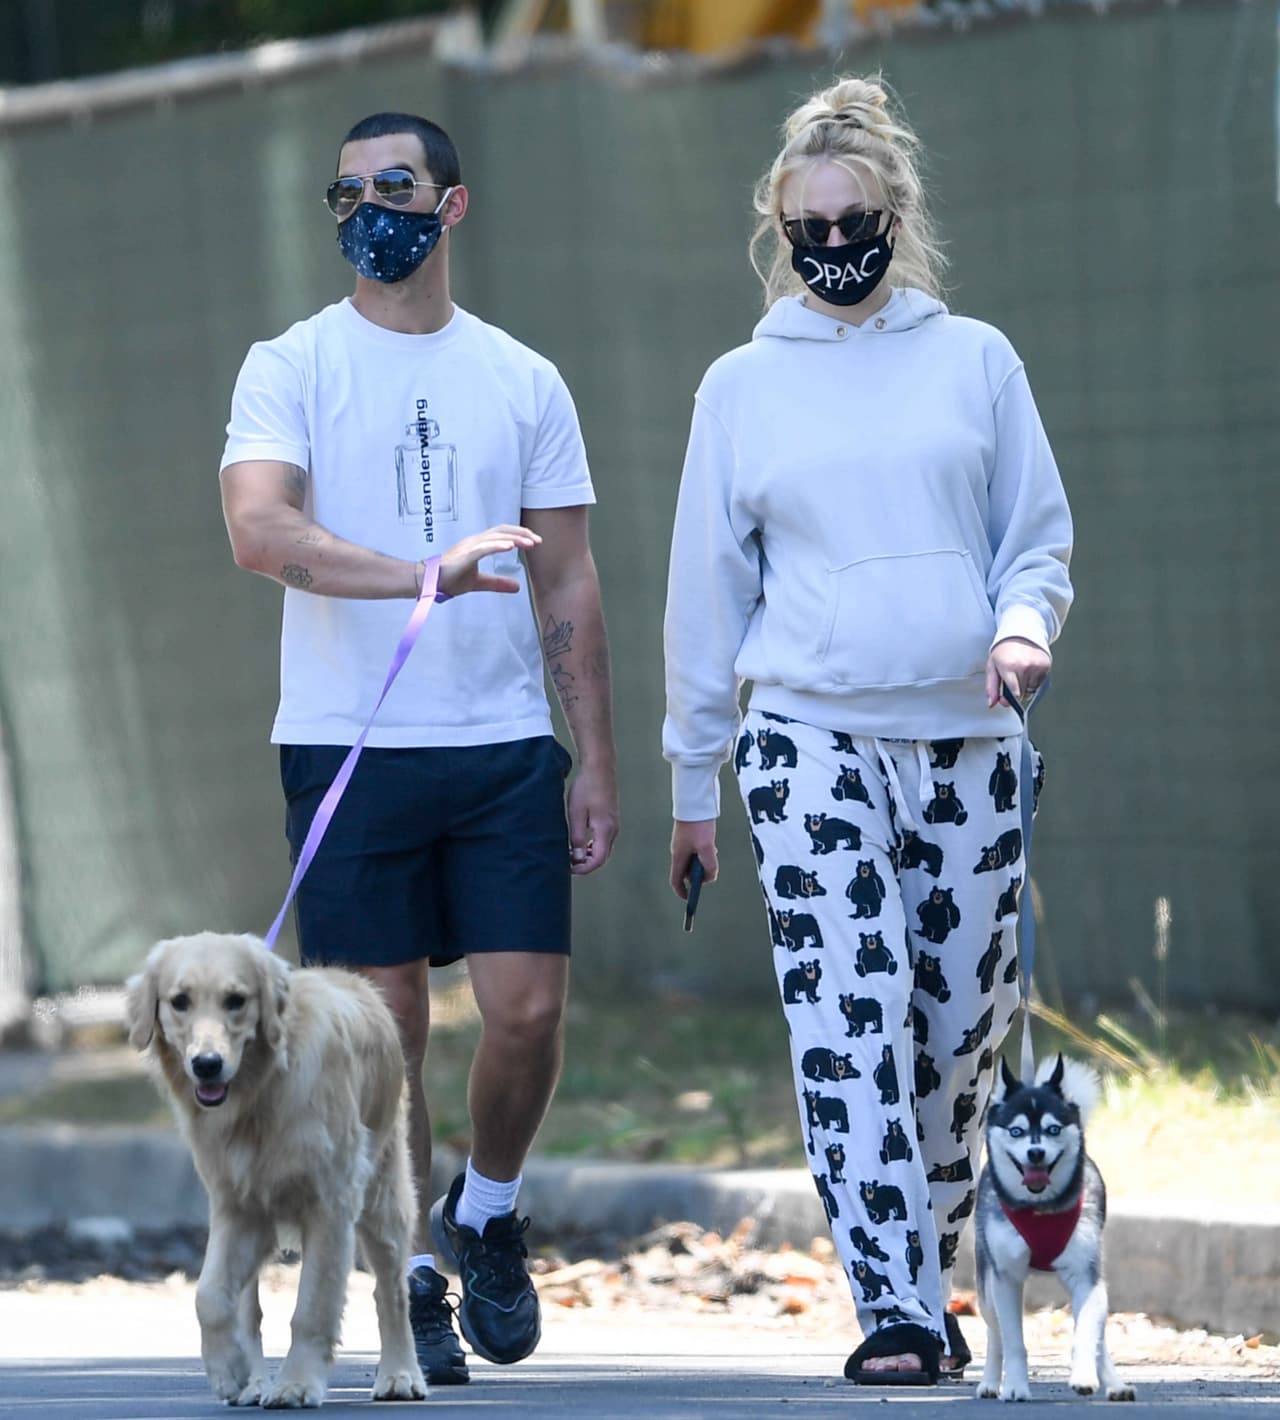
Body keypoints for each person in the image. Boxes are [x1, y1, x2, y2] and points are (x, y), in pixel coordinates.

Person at [662, 76, 1072, 1386]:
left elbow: (1036, 536)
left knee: (956, 1033)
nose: (834, 246)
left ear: (898, 215)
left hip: (968, 742)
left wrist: (1020, 624)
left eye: (857, 219)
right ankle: (893, 1303)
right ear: (780, 237)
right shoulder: (740, 388)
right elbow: (705, 591)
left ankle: (940, 1268)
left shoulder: (978, 360)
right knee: (850, 1018)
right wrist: (692, 777)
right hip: (808, 743)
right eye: (808, 228)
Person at [219, 111, 619, 1387]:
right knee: (386, 1032)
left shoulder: (522, 376)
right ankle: (416, 1278)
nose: (367, 209)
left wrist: (595, 760)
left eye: (393, 186)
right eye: (345, 192)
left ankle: (487, 1212)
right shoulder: (288, 364)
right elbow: (259, 531)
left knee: (527, 1010)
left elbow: (569, 584)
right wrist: (417, 577)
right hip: (349, 746)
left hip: (502, 745)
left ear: (451, 206)